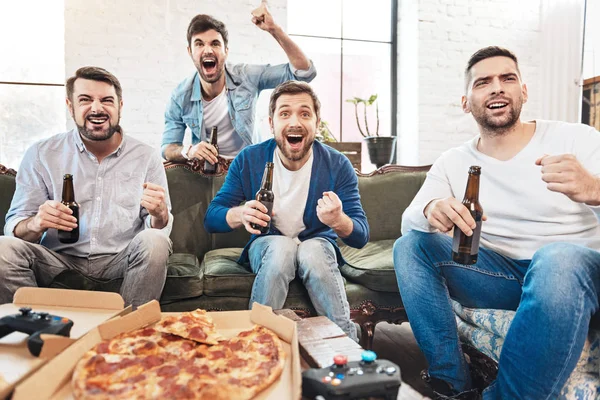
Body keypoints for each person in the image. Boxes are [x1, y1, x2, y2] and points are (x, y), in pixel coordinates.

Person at [393, 46, 600, 399]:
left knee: (556, 259)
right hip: (501, 275)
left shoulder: (577, 138)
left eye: (508, 78)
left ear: (524, 90)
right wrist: (431, 208)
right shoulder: (454, 161)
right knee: (410, 246)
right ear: (466, 101)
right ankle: (450, 383)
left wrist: (595, 189)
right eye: (483, 82)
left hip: (575, 273)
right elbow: (407, 222)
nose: (497, 87)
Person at [204, 81, 369, 341]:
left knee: (314, 250)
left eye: (305, 113)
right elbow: (212, 217)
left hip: (317, 245)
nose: (295, 122)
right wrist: (241, 213)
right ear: (271, 123)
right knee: (282, 248)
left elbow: (360, 234)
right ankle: (257, 344)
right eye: (284, 113)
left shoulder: (338, 165)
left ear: (316, 122)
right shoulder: (249, 159)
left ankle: (345, 345)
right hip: (268, 245)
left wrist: (339, 220)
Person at [0, 67, 173, 308]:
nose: (97, 108)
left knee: (155, 241)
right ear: (70, 106)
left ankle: (129, 331)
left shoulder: (145, 156)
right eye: (85, 100)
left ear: (120, 106)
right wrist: (36, 222)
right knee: (3, 249)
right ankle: (33, 328)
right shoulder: (42, 154)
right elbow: (15, 227)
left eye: (106, 100)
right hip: (58, 259)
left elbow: (157, 230)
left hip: (120, 259)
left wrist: (161, 215)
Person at [161, 4, 317, 165]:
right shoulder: (180, 96)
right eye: (199, 44)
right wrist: (189, 151)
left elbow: (304, 73)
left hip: (249, 167)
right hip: (208, 172)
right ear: (190, 51)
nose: (207, 50)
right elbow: (167, 147)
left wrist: (274, 29)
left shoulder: (246, 76)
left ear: (226, 51)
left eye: (215, 43)